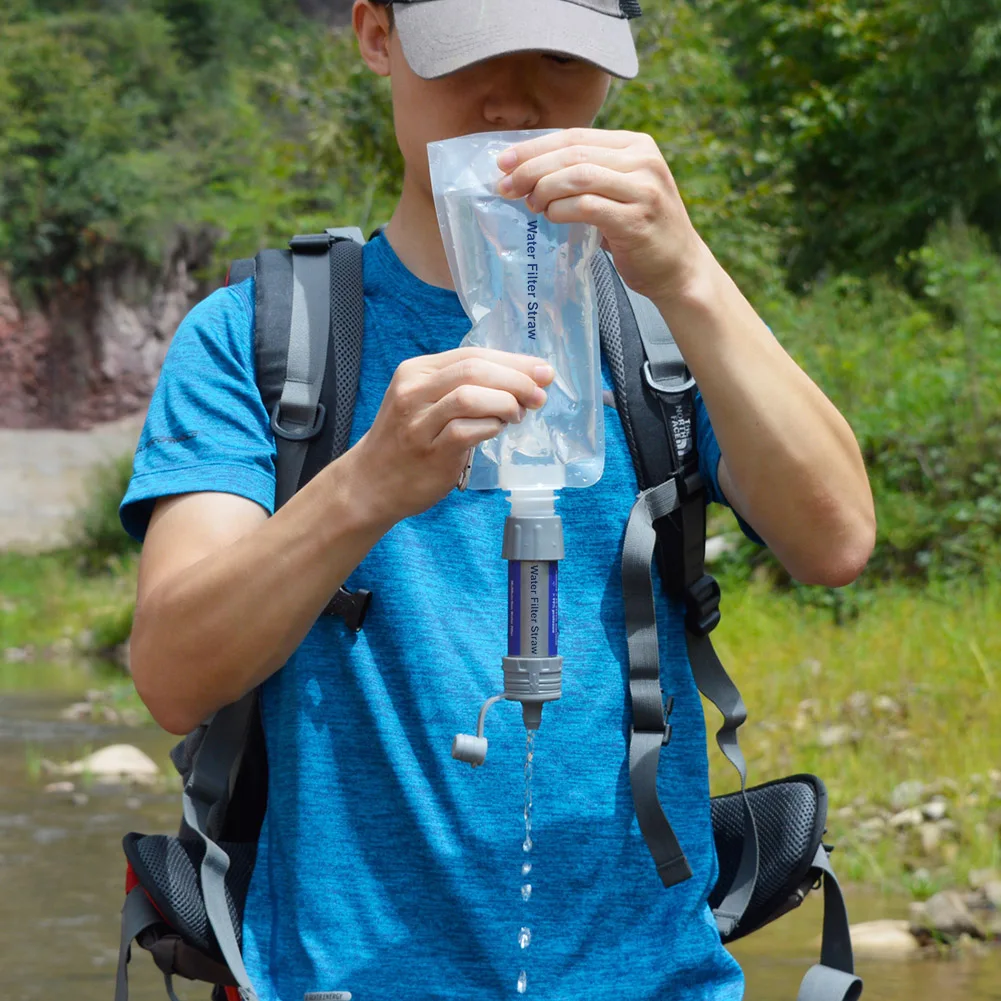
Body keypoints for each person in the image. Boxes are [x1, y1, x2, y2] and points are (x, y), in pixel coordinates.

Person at [119, 1, 876, 998]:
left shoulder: (666, 325)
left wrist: (688, 270)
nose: (514, 96)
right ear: (375, 36)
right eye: (469, 50)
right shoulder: (256, 337)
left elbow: (834, 539)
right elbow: (173, 672)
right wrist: (367, 480)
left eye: (560, 58)